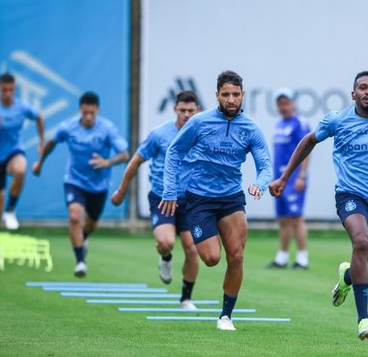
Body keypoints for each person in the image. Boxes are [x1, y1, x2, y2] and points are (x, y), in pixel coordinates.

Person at [270, 71, 368, 340]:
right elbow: (309, 141)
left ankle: (348, 277)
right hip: (350, 195)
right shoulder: (338, 120)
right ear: (353, 94)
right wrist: (285, 177)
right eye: (362, 87)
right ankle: (363, 320)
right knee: (360, 243)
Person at [159, 70, 272, 331]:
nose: (231, 99)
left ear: (243, 95)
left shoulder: (251, 129)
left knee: (237, 255)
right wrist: (170, 190)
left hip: (231, 198)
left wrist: (259, 183)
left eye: (235, 94)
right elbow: (174, 151)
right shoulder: (200, 122)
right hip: (199, 198)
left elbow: (265, 166)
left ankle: (225, 316)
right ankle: (203, 239)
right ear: (217, 96)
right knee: (211, 258)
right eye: (226, 95)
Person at [110, 90, 201, 309]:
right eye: (182, 110)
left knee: (192, 248)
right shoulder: (159, 134)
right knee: (165, 242)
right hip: (162, 198)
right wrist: (122, 190)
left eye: (191, 110)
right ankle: (166, 257)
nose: (187, 114)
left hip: (190, 201)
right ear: (175, 110)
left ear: (197, 110)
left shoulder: (202, 134)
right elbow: (135, 162)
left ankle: (186, 298)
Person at [33, 92, 129, 278]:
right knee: (75, 217)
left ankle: (83, 238)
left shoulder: (107, 128)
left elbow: (125, 155)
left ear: (97, 110)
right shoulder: (68, 127)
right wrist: (39, 163)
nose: (88, 117)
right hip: (74, 181)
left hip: (98, 185)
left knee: (91, 224)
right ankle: (80, 262)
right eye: (85, 112)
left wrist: (107, 162)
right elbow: (51, 142)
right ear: (80, 110)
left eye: (92, 113)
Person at [0, 73, 44, 232]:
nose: (7, 94)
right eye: (4, 90)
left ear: (15, 89)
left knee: (20, 169)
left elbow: (39, 116)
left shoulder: (21, 107)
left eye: (11, 90)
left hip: (13, 152)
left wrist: (41, 142)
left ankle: (11, 209)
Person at [267, 88, 311, 270]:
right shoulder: (279, 125)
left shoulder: (300, 123)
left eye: (286, 103)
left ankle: (302, 258)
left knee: (296, 218)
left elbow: (307, 150)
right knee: (283, 218)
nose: (283, 107)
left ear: (293, 103)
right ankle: (282, 257)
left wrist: (302, 175)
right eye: (280, 103)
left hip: (293, 178)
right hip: (279, 178)